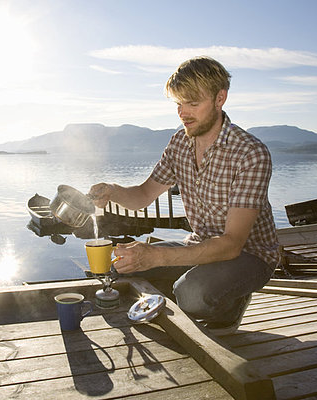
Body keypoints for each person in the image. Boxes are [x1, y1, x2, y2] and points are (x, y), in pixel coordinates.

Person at [88, 56, 279, 334]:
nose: (183, 112)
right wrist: (112, 191)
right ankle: (198, 289)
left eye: (192, 103)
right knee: (122, 269)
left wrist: (156, 256)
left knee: (191, 293)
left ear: (219, 98)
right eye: (178, 103)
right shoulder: (179, 143)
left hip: (250, 256)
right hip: (199, 245)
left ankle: (231, 303)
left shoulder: (250, 153)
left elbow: (231, 245)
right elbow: (142, 195)